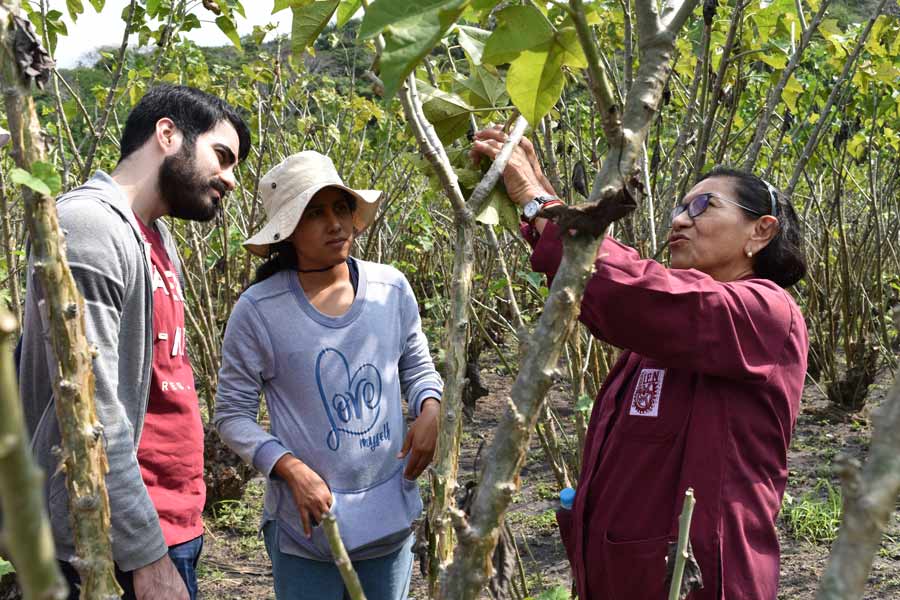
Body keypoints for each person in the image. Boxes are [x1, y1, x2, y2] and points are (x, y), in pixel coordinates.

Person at [471, 128, 808, 600]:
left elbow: (632, 290)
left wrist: (537, 200)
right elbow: (628, 295)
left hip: (699, 582)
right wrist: (546, 205)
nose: (679, 221)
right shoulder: (660, 336)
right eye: (678, 208)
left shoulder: (766, 313)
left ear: (761, 230)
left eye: (702, 206)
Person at [20, 84, 251, 600]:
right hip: (112, 544)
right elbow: (91, 412)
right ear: (167, 134)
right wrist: (145, 554)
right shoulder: (89, 227)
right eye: (223, 156)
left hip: (172, 523)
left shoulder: (156, 237)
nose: (231, 180)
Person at [214, 150, 443, 600]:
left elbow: (417, 366)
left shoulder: (389, 288)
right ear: (288, 231)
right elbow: (231, 415)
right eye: (314, 213)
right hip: (307, 529)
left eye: (341, 208)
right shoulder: (259, 310)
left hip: (387, 516)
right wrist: (290, 469)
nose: (335, 224)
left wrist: (430, 408)